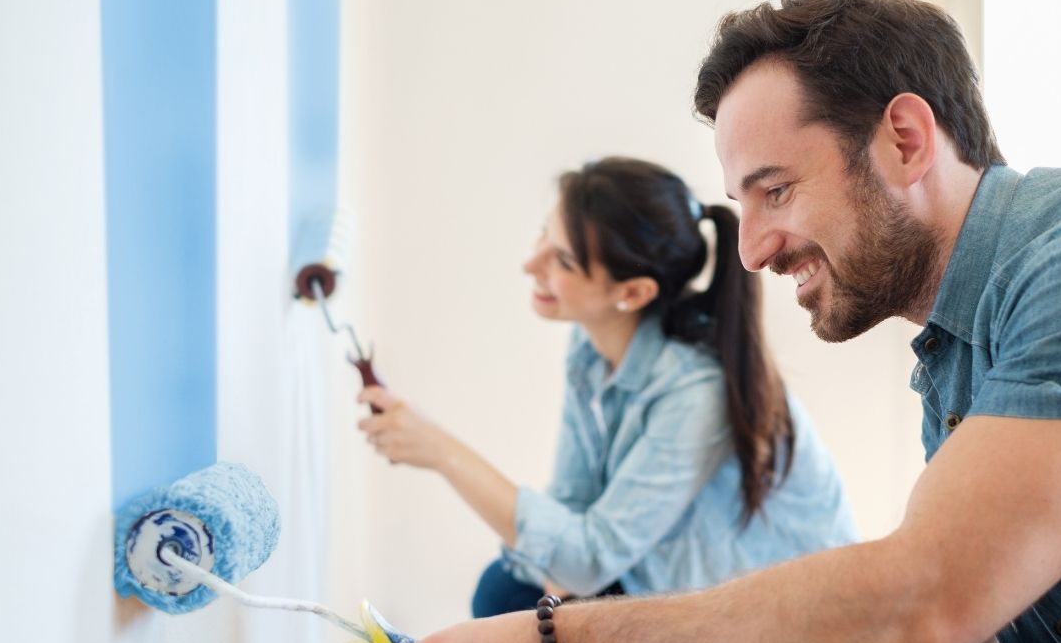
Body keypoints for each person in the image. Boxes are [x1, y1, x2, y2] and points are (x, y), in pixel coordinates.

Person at [391, 0, 1061, 643]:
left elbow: (926, 610)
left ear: (906, 140)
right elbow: (967, 628)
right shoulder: (955, 353)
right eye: (743, 203)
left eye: (777, 191)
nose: (752, 251)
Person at [357, 156, 857, 619]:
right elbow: (574, 507)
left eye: (564, 262)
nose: (531, 265)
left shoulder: (697, 393)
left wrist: (443, 454)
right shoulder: (590, 349)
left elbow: (588, 559)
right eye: (542, 237)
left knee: (513, 599)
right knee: (508, 589)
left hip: (775, 620)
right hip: (659, 575)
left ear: (633, 293)